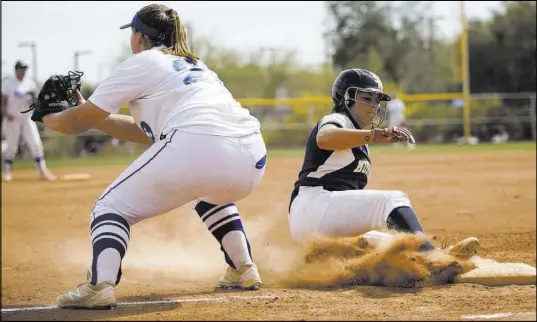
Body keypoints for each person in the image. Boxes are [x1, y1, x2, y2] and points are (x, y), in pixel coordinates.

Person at [40, 4, 267, 309]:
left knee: (110, 207)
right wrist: (88, 110)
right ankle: (244, 268)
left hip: (198, 144)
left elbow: (75, 122)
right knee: (208, 193)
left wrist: (45, 116)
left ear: (138, 37)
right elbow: (144, 132)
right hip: (252, 154)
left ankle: (100, 285)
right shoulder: (195, 64)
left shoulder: (141, 62)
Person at [288, 68, 479, 259]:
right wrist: (376, 134)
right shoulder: (338, 119)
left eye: (376, 100)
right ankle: (432, 257)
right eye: (367, 98)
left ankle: (419, 261)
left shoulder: (359, 140)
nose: (374, 106)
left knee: (386, 244)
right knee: (391, 200)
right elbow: (324, 138)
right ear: (347, 98)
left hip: (320, 217)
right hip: (312, 206)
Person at [1, 61, 56, 182]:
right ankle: (7, 172)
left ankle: (42, 170)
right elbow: (3, 100)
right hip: (13, 117)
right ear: (16, 70)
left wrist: (35, 98)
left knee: (35, 143)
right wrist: (5, 113)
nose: (23, 71)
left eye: (24, 69)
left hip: (26, 118)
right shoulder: (8, 83)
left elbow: (35, 101)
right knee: (11, 146)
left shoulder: (30, 83)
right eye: (21, 69)